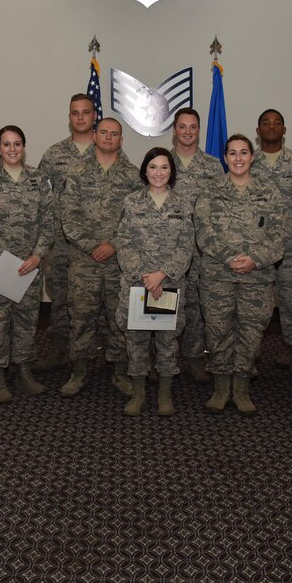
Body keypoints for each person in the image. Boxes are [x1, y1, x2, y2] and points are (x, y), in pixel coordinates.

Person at [195, 135, 287, 416]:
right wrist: (228, 258)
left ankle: (242, 389)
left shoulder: (269, 192)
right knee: (218, 330)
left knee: (250, 333)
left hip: (256, 278)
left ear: (252, 157)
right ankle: (221, 388)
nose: (238, 158)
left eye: (243, 153)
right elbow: (203, 232)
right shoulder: (209, 191)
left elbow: (278, 235)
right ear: (224, 158)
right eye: (232, 153)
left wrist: (255, 260)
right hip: (217, 275)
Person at [0, 125, 56, 403]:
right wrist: (5, 256)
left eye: (17, 144)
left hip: (30, 265)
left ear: (23, 147)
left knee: (26, 320)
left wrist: (38, 255)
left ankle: (23, 369)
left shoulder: (38, 178)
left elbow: (49, 220)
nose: (12, 149)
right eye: (6, 144)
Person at [58, 117, 139, 398]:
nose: (108, 137)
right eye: (103, 132)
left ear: (120, 140)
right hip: (84, 262)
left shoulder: (132, 175)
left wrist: (114, 245)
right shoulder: (77, 172)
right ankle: (79, 371)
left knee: (119, 318)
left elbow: (136, 220)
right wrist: (93, 245)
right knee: (81, 317)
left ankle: (119, 372)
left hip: (119, 263)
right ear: (94, 136)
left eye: (114, 134)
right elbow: (68, 217)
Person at [114, 148, 195, 416]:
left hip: (169, 285)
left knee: (167, 341)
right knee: (135, 340)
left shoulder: (183, 204)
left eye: (164, 167)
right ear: (144, 171)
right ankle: (138, 393)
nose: (158, 173)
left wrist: (163, 274)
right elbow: (123, 243)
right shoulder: (131, 202)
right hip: (138, 284)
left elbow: (186, 246)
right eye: (152, 167)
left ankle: (164, 394)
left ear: (171, 171)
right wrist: (145, 277)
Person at [251, 109, 292, 379]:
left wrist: (283, 236)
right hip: (256, 252)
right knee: (253, 310)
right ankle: (249, 359)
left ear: (285, 129)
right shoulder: (248, 162)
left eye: (277, 122)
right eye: (265, 123)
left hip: (290, 253)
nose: (272, 127)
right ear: (258, 130)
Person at [35, 94, 97, 370]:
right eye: (75, 113)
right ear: (69, 117)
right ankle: (60, 349)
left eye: (85, 112)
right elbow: (39, 195)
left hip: (95, 243)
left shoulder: (106, 149)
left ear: (94, 116)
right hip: (60, 242)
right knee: (60, 296)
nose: (80, 117)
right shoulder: (54, 154)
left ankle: (93, 350)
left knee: (94, 299)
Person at [169, 108, 224, 381]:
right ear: (174, 130)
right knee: (167, 300)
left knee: (198, 304)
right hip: (167, 247)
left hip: (203, 250)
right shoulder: (163, 162)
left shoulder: (212, 166)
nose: (187, 132)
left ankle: (193, 355)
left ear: (199, 130)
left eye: (193, 127)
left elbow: (220, 209)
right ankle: (164, 357)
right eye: (182, 127)